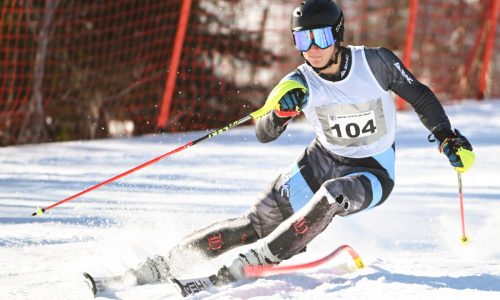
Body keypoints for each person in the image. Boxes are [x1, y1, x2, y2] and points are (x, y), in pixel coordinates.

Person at [108, 0, 476, 287]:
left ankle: (259, 260)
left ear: (338, 35)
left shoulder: (375, 62)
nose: (312, 49)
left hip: (372, 170)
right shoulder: (296, 81)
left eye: (321, 38)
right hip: (319, 161)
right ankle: (161, 265)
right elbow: (263, 133)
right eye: (303, 39)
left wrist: (446, 139)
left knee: (334, 193)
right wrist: (280, 115)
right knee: (253, 224)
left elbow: (421, 96)